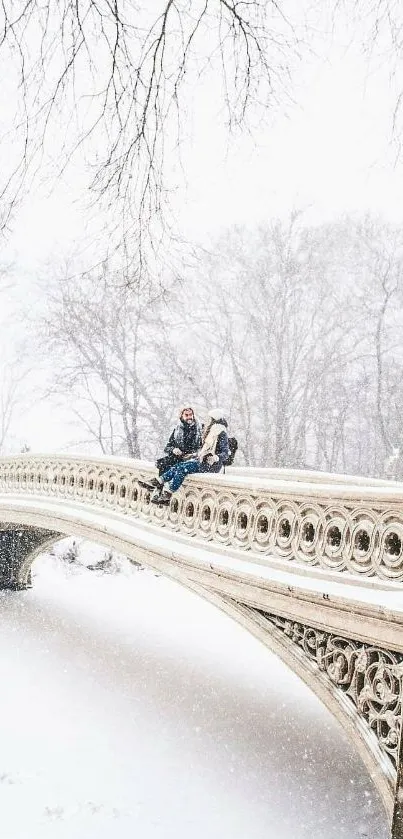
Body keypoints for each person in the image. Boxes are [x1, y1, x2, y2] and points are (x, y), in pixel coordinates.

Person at [150, 407, 229, 505]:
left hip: (211, 465)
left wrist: (215, 458)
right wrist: (194, 455)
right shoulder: (211, 432)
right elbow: (203, 451)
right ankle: (159, 481)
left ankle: (168, 493)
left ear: (214, 420)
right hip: (202, 461)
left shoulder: (220, 433)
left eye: (210, 419)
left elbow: (225, 453)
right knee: (178, 466)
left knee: (182, 469)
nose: (208, 421)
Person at [138, 405, 202, 491]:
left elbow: (202, 447)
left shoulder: (199, 428)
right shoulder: (177, 430)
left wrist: (193, 454)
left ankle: (157, 488)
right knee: (163, 464)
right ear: (181, 416)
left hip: (191, 459)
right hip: (178, 457)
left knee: (169, 464)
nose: (189, 417)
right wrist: (173, 449)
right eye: (186, 415)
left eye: (191, 414)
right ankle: (158, 490)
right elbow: (167, 447)